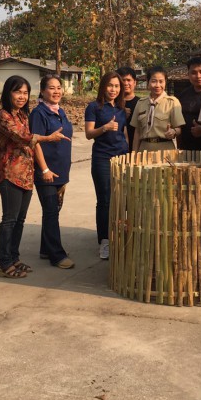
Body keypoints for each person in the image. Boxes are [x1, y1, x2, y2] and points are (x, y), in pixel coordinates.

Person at [0, 75, 62, 278]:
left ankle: (14, 258)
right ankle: (4, 263)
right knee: (9, 220)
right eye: (18, 92)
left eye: (25, 93)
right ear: (8, 93)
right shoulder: (3, 116)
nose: (22, 96)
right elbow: (22, 137)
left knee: (20, 220)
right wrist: (48, 138)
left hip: (27, 175)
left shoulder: (24, 115)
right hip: (10, 175)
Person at [29, 75, 75, 269]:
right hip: (46, 172)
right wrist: (45, 169)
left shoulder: (59, 111)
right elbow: (35, 141)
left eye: (58, 87)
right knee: (50, 211)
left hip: (60, 171)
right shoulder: (38, 113)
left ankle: (46, 249)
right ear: (42, 91)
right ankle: (56, 255)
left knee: (53, 210)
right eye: (51, 88)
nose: (56, 91)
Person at [85, 71, 129, 260]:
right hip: (102, 158)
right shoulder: (94, 107)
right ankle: (104, 241)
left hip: (122, 157)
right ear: (103, 86)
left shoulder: (122, 109)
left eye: (117, 86)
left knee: (121, 198)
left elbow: (124, 134)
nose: (113, 89)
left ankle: (118, 235)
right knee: (104, 200)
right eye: (110, 85)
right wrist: (105, 128)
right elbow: (88, 134)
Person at [131, 66, 185, 152]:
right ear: (148, 82)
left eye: (161, 81)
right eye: (154, 81)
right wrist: (134, 153)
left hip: (165, 150)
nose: (157, 85)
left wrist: (173, 131)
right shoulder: (140, 103)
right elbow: (137, 132)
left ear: (165, 82)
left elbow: (179, 129)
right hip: (144, 149)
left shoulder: (172, 102)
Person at [176, 57, 201, 153]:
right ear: (188, 74)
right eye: (193, 73)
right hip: (186, 149)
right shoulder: (183, 95)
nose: (198, 76)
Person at [116, 67, 141, 150]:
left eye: (129, 80)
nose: (126, 83)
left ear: (135, 82)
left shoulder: (142, 103)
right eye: (123, 80)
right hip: (116, 149)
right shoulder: (112, 103)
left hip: (138, 148)